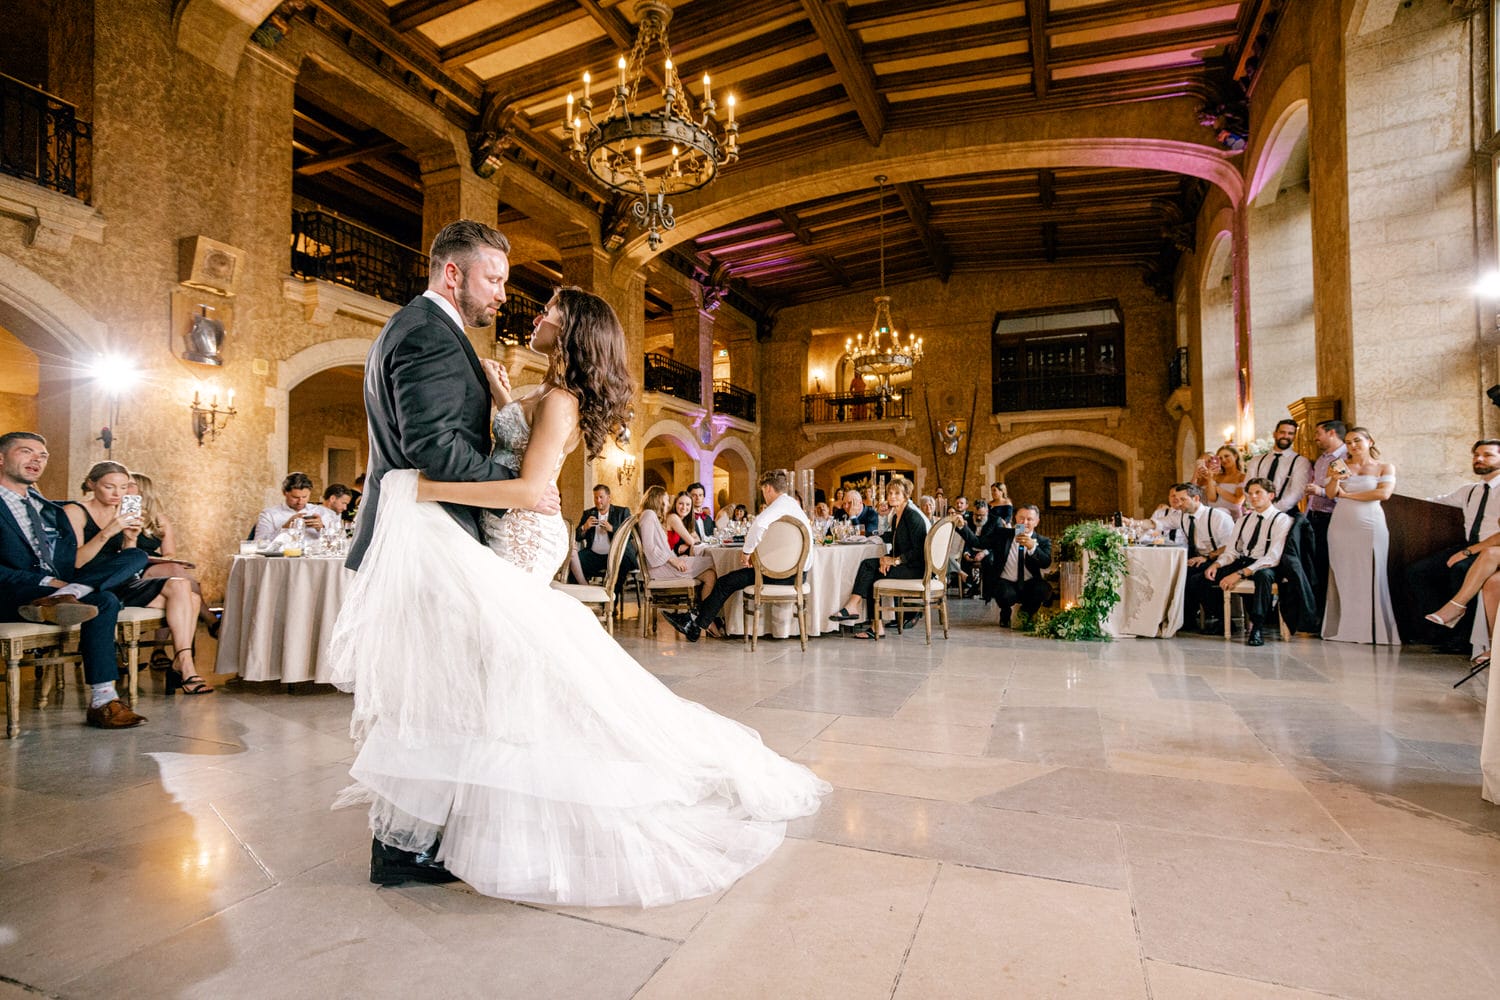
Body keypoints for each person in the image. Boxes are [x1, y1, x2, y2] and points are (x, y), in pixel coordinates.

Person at [334, 285, 828, 905]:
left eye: (549, 313)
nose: (536, 315)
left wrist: (421, 491)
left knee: (511, 670)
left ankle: (495, 811)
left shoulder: (563, 401)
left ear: (570, 333)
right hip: (509, 526)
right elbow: (520, 452)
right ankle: (464, 812)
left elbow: (523, 490)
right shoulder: (548, 393)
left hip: (520, 535)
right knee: (499, 670)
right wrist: (503, 399)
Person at [346, 219, 559, 578]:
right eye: (493, 280)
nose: (502, 295)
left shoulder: (414, 324)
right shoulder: (430, 335)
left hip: (410, 529)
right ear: (452, 274)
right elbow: (434, 448)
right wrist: (517, 487)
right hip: (424, 536)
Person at [0, 432, 147, 728]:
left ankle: (102, 700)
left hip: (61, 590)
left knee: (134, 559)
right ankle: (104, 698)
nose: (36, 460)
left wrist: (125, 539)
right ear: (1, 458)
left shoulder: (46, 507)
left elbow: (70, 559)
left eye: (42, 456)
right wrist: (47, 583)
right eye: (26, 452)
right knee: (104, 599)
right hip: (15, 592)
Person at [63, 462, 214, 695]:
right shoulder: (75, 511)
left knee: (183, 586)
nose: (117, 494)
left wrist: (130, 538)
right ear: (92, 484)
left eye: (124, 488)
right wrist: (109, 531)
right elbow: (76, 561)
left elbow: (128, 559)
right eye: (110, 487)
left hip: (124, 582)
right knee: (190, 601)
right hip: (91, 583)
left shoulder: (123, 512)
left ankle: (183, 662)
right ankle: (184, 668)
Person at [663, 468, 815, 643]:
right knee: (728, 582)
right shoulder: (793, 506)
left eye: (763, 492)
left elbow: (758, 527)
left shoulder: (775, 507)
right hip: (798, 574)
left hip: (777, 576)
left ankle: (695, 623)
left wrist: (746, 552)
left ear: (767, 489)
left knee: (724, 583)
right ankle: (695, 624)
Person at [1409, 440, 1500, 660]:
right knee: (1418, 571)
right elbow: (1435, 502)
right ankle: (1437, 631)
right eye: (1476, 455)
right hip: (1469, 545)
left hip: (1490, 547)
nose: (1479, 459)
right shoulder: (1470, 490)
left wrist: (1468, 552)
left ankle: (1461, 639)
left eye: (1487, 455)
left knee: (1460, 569)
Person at [1320, 427, 1399, 645]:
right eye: (1348, 442)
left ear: (1370, 441)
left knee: (1372, 572)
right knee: (1343, 572)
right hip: (1341, 523)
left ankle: (1374, 630)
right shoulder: (1338, 465)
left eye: (1357, 441)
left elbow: (1383, 493)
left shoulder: (1384, 466)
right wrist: (1335, 480)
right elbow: (1330, 494)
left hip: (1370, 522)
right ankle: (1347, 628)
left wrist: (1348, 495)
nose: (1353, 445)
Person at [827, 477, 929, 639]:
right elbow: (896, 543)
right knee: (871, 568)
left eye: (897, 493)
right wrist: (885, 558)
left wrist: (894, 561)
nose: (892, 496)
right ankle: (874, 624)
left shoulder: (912, 516)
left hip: (916, 569)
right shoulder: (897, 516)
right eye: (890, 492)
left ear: (906, 495)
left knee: (868, 568)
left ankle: (857, 609)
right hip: (906, 564)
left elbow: (918, 551)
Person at [1198, 478, 1291, 646]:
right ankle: (1220, 620)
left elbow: (1273, 557)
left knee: (1263, 577)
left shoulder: (1282, 519)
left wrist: (1240, 574)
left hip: (1269, 565)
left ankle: (1257, 626)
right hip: (1245, 561)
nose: (1253, 497)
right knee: (1201, 577)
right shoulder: (1243, 521)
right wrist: (1216, 564)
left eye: (1258, 493)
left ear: (1271, 495)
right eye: (1250, 493)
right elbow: (1232, 551)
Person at [128, 471, 220, 636]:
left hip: (154, 563)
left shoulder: (159, 519)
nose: (124, 489)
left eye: (128, 485)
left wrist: (163, 560)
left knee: (177, 574)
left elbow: (169, 553)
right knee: (180, 577)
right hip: (132, 565)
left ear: (142, 491)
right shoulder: (119, 516)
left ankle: (160, 651)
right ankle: (210, 619)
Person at [1153, 482, 1234, 632]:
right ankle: (1187, 620)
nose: (1179, 503)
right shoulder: (1183, 517)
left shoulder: (1218, 517)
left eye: (1183, 499)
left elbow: (1232, 546)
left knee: (1198, 579)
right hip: (1202, 559)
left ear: (1196, 498)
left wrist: (1208, 557)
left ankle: (1223, 620)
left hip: (1224, 561)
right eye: (1177, 499)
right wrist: (1132, 522)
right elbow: (1159, 523)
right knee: (1178, 574)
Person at [962, 503, 1052, 627]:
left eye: (1029, 519)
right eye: (1021, 518)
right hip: (1006, 583)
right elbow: (978, 542)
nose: (1024, 522)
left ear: (1037, 522)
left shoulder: (1043, 541)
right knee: (1002, 592)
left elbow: (1046, 563)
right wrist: (962, 527)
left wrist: (1033, 548)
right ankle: (1005, 611)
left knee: (1044, 590)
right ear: (1015, 518)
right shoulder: (1002, 534)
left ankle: (1026, 612)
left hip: (1029, 583)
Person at [637, 485, 717, 601]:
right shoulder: (649, 515)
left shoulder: (652, 516)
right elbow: (648, 548)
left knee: (710, 575)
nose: (668, 504)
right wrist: (673, 559)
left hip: (664, 563)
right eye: (665, 500)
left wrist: (675, 558)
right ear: (658, 499)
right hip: (658, 568)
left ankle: (703, 617)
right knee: (714, 562)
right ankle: (706, 616)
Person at [1303, 419, 1348, 616]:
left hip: (1334, 517)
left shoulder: (1346, 457)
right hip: (1315, 517)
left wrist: (1320, 491)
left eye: (1318, 433)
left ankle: (1333, 612)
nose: (1315, 438)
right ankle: (1320, 612)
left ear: (1331, 433)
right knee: (1317, 567)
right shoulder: (1322, 459)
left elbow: (1347, 492)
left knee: (1331, 566)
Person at [1246, 419, 1314, 512]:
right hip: (1257, 511)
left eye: (1290, 433)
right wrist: (1256, 507)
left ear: (1294, 437)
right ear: (1275, 434)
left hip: (1285, 513)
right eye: (1282, 432)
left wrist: (1272, 511)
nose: (1286, 436)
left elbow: (1297, 493)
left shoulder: (1301, 462)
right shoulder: (1256, 460)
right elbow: (1247, 487)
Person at [573, 483, 634, 585]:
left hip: (616, 555)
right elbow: (576, 537)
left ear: (609, 497)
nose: (598, 501)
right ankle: (581, 594)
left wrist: (612, 529)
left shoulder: (622, 512)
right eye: (596, 498)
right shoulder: (588, 513)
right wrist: (584, 527)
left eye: (601, 497)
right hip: (593, 555)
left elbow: (630, 535)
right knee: (575, 562)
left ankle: (610, 597)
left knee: (622, 564)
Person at [254, 472, 338, 543]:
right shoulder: (269, 514)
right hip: (283, 560)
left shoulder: (324, 512)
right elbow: (259, 543)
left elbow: (337, 542)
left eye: (304, 497)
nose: (300, 501)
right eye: (295, 497)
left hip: (316, 559)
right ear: (284, 493)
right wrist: (285, 528)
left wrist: (322, 529)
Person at [1202, 445, 1246, 517]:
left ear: (1235, 456)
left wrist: (1216, 487)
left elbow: (1237, 501)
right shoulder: (1216, 476)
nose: (1223, 460)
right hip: (1214, 517)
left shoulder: (1242, 477)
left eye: (1226, 456)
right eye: (1220, 458)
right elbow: (1211, 499)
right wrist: (1210, 478)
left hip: (1232, 517)